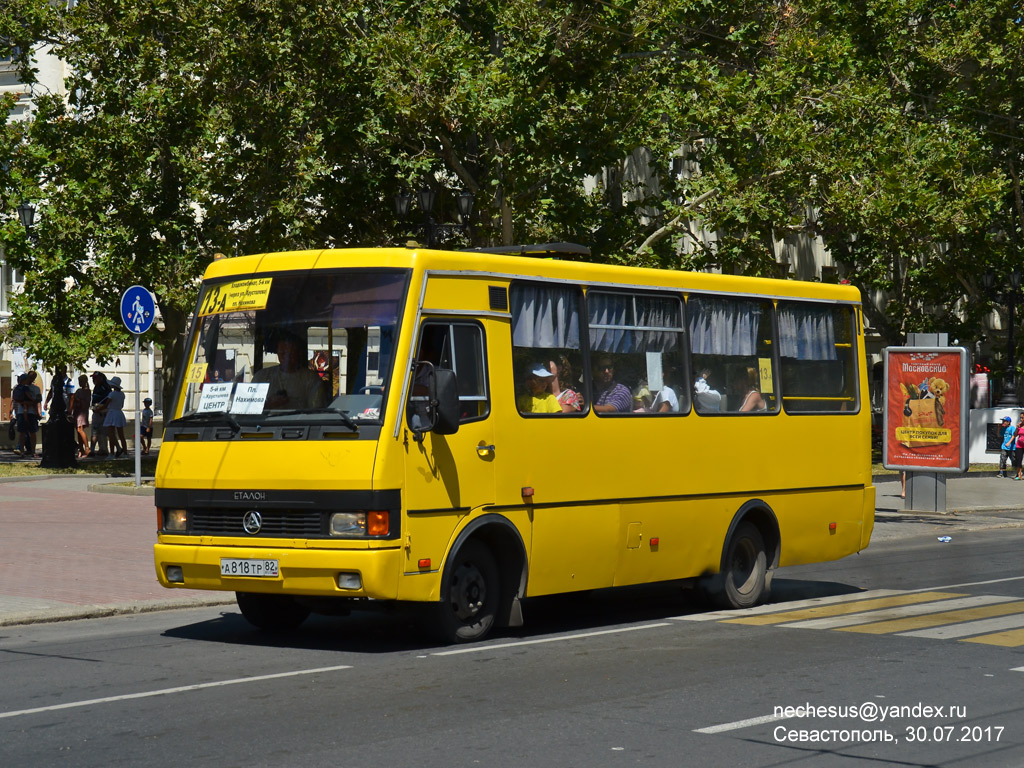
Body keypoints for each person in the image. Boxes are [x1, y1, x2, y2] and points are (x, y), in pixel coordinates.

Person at [252, 332, 329, 410]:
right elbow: (250, 409)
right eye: (283, 353)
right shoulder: (261, 377)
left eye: (291, 353)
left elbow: (316, 411)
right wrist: (268, 404)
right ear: (277, 352)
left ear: (299, 353)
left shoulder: (311, 379)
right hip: (266, 422)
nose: (287, 357)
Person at [102, 376, 129, 458]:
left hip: (112, 413)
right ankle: (125, 453)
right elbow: (121, 405)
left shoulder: (112, 394)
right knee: (121, 435)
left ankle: (112, 453)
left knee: (111, 434)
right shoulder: (122, 394)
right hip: (119, 413)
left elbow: (106, 405)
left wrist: (98, 408)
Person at [20, 371, 42, 457]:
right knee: (22, 432)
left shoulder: (36, 389)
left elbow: (38, 401)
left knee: (33, 432)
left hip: (32, 412)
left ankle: (33, 451)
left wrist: (38, 412)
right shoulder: (20, 388)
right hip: (22, 412)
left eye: (33, 377)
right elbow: (18, 399)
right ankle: (22, 451)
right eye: (30, 377)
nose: (31, 379)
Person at [89, 372, 111, 456]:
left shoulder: (105, 388)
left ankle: (102, 449)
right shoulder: (96, 387)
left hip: (102, 412)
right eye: (93, 378)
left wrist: (100, 409)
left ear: (101, 378)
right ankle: (96, 449)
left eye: (95, 378)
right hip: (97, 411)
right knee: (96, 431)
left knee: (101, 432)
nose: (93, 380)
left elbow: (107, 401)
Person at [71, 374, 92, 458]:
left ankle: (87, 448)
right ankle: (81, 449)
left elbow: (77, 400)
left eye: (81, 381)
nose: (80, 383)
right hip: (82, 412)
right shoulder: (87, 391)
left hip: (80, 412)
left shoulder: (81, 391)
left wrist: (75, 399)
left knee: (80, 430)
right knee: (78, 430)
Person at [1014, 413, 1024, 481]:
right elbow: (1015, 435)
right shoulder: (1020, 425)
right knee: (1018, 459)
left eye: (1022, 418)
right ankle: (1019, 475)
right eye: (1020, 417)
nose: (1021, 419)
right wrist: (1017, 428)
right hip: (1019, 445)